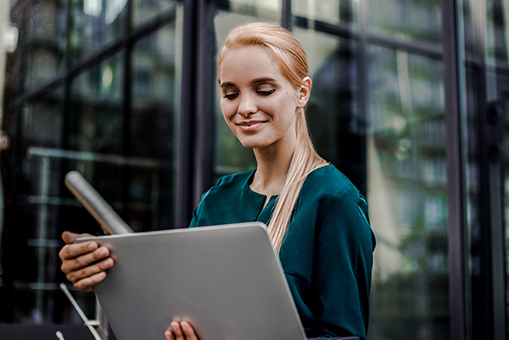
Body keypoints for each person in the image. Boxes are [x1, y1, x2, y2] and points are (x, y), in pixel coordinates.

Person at [59, 22, 376, 340]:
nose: (245, 108)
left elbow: (345, 336)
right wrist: (104, 268)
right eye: (230, 93)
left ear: (302, 92)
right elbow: (177, 302)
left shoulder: (334, 201)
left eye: (264, 90)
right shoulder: (216, 200)